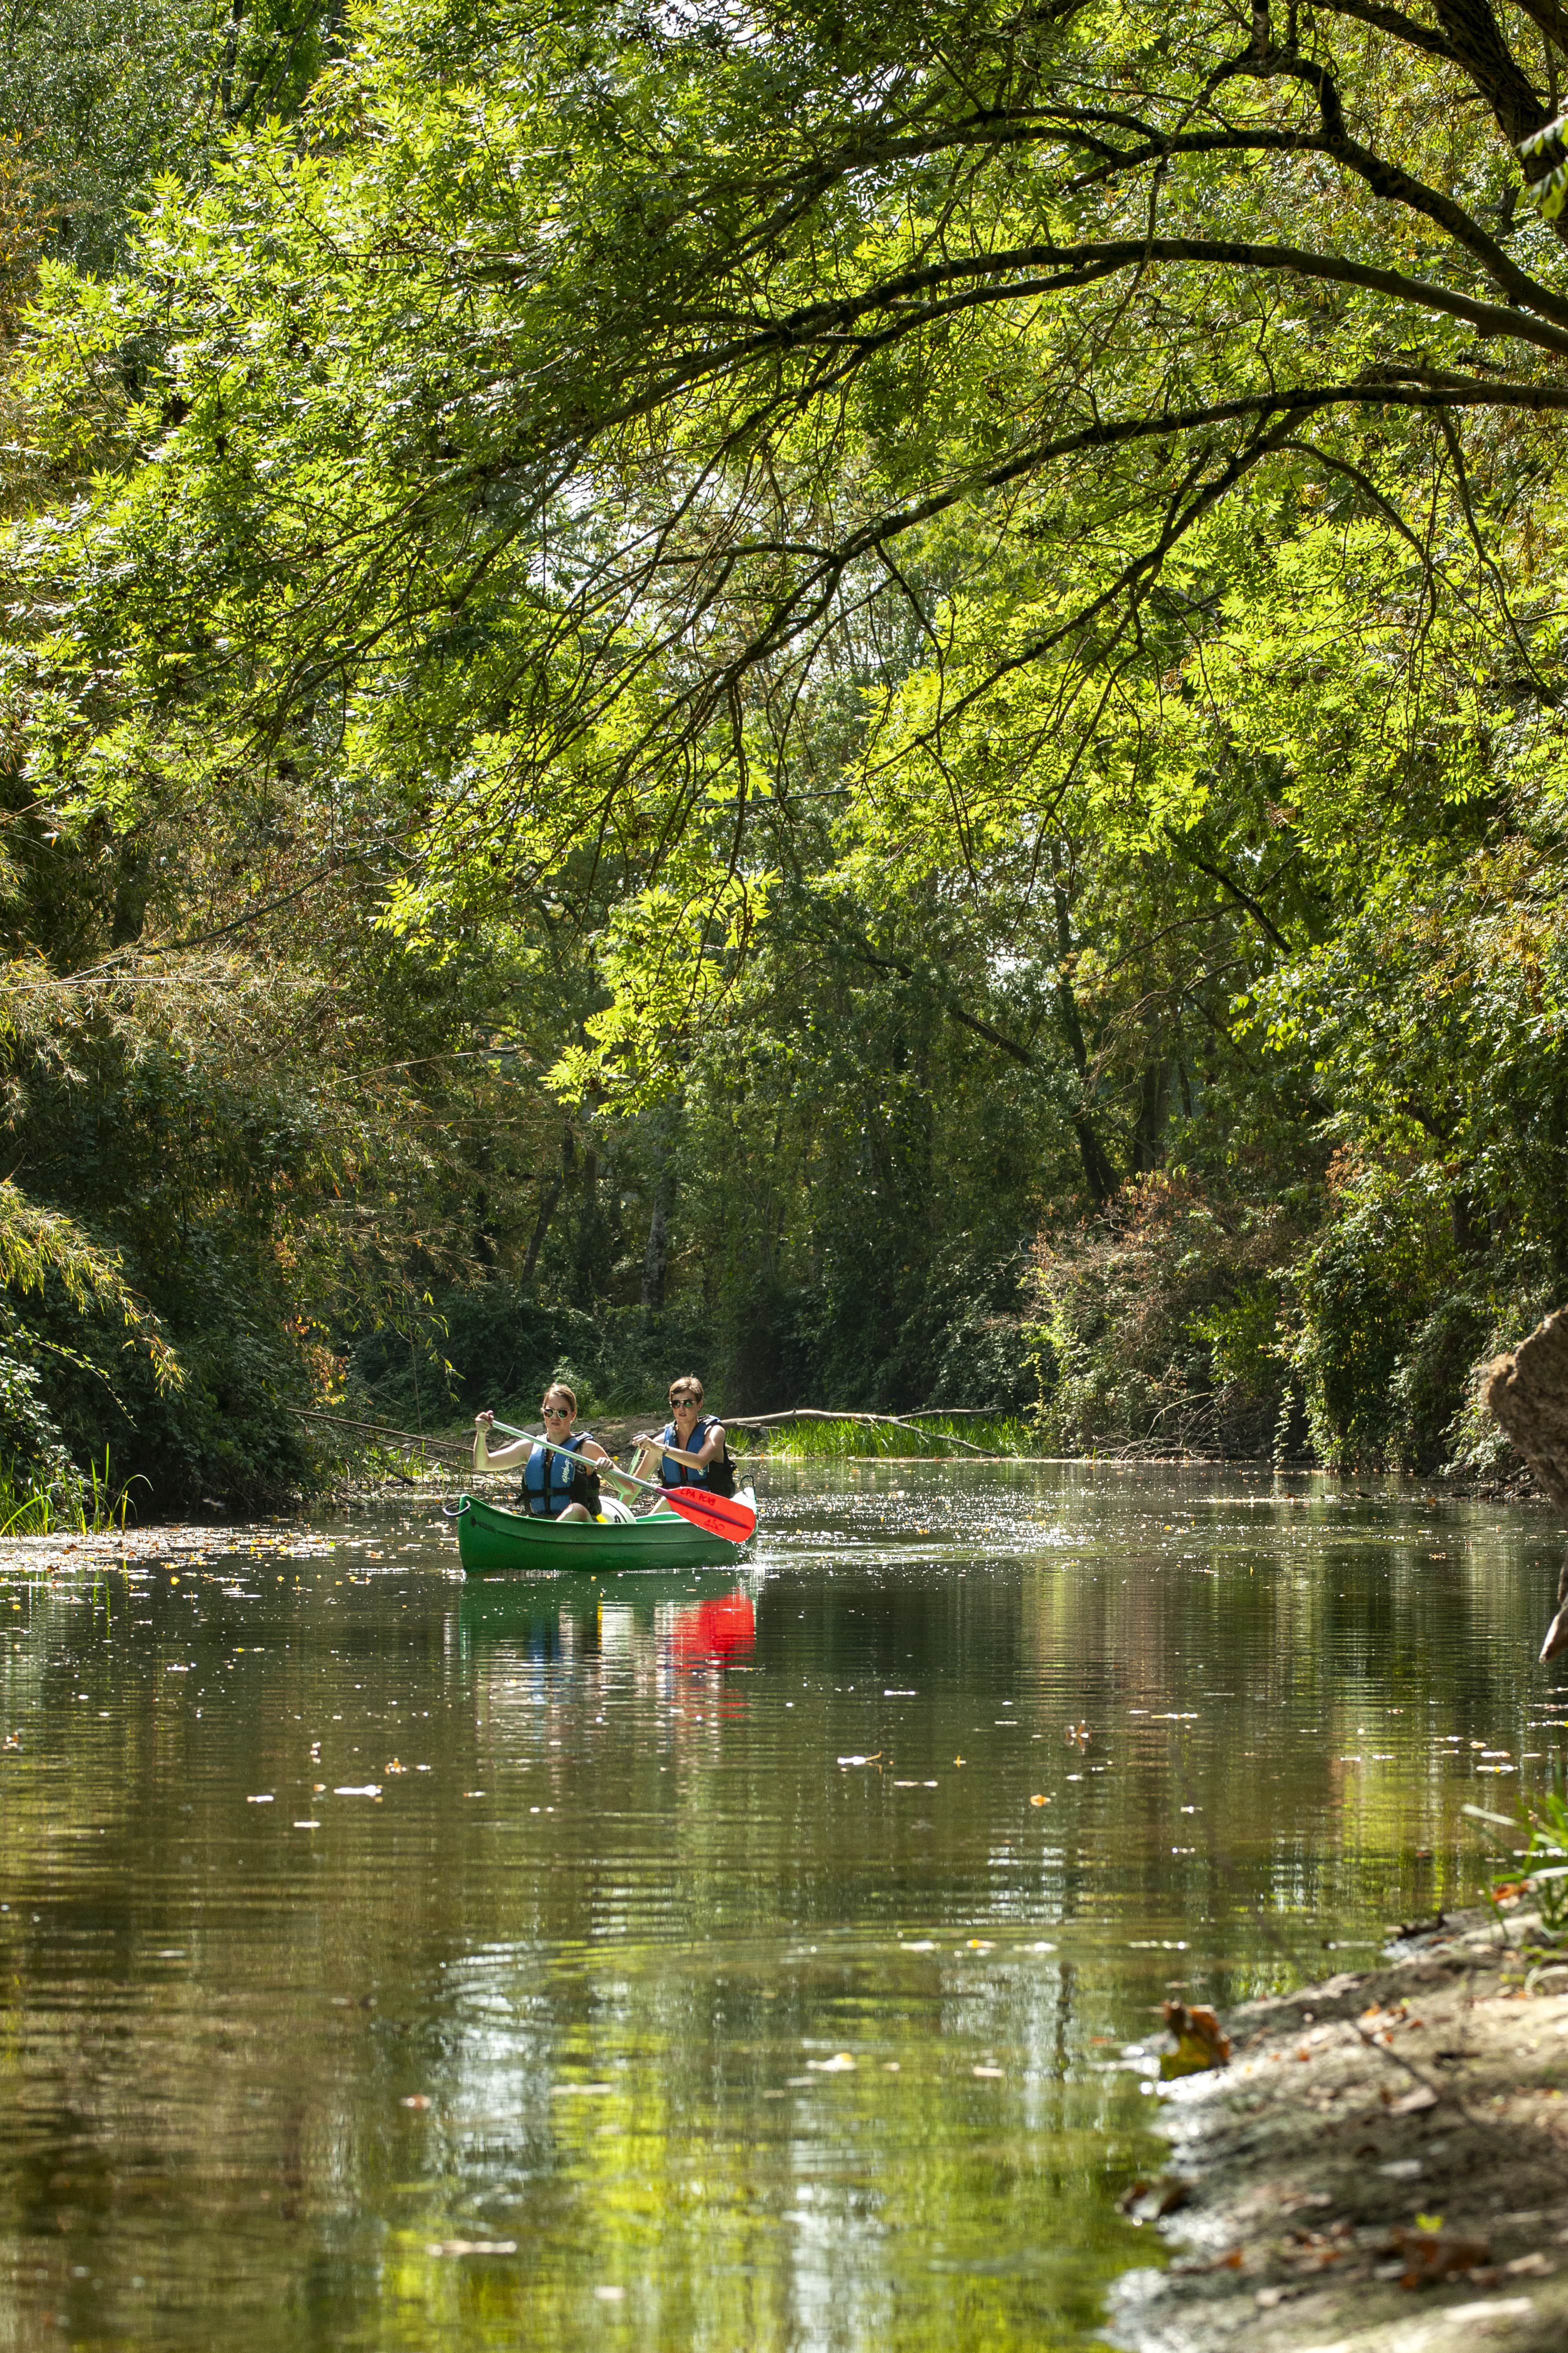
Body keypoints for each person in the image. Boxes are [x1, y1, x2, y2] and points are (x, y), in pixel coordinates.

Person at [473, 1383, 611, 1522]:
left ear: (573, 1415)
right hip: (539, 1524)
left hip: (577, 1524)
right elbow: (484, 1464)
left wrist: (608, 1470)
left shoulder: (587, 1448)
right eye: (549, 1412)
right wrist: (481, 1433)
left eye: (562, 1413)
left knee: (576, 1510)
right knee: (493, 1512)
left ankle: (548, 1538)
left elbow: (628, 1488)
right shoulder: (529, 1447)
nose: (555, 1417)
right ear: (544, 1413)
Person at [632, 1376, 735, 1508]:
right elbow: (633, 1487)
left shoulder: (714, 1433)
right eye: (676, 1404)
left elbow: (700, 1462)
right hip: (677, 1507)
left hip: (713, 1506)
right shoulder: (661, 1441)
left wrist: (660, 1449)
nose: (681, 1409)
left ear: (699, 1405)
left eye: (688, 1403)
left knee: (667, 1502)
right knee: (667, 1502)